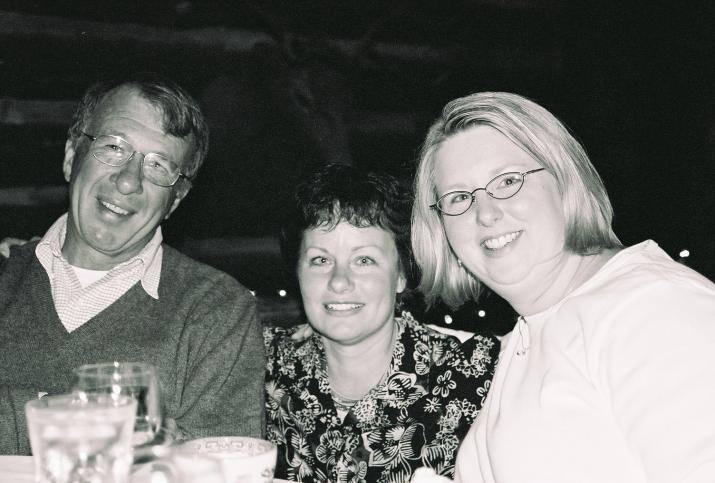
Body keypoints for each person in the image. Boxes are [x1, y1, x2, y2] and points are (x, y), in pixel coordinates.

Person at [409, 91, 715, 482]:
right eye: (460, 197)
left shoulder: (651, 306)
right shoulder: (526, 337)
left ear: (564, 181)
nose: (485, 213)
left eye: (507, 181)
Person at [0, 72, 265, 454]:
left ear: (175, 200)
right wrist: (112, 429)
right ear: (71, 157)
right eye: (113, 147)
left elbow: (225, 467)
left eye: (158, 166)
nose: (128, 181)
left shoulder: (215, 310)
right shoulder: (6, 273)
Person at [263, 163, 500, 482]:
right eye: (320, 259)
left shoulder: (478, 376)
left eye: (364, 260)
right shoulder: (256, 364)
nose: (339, 281)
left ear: (401, 274)